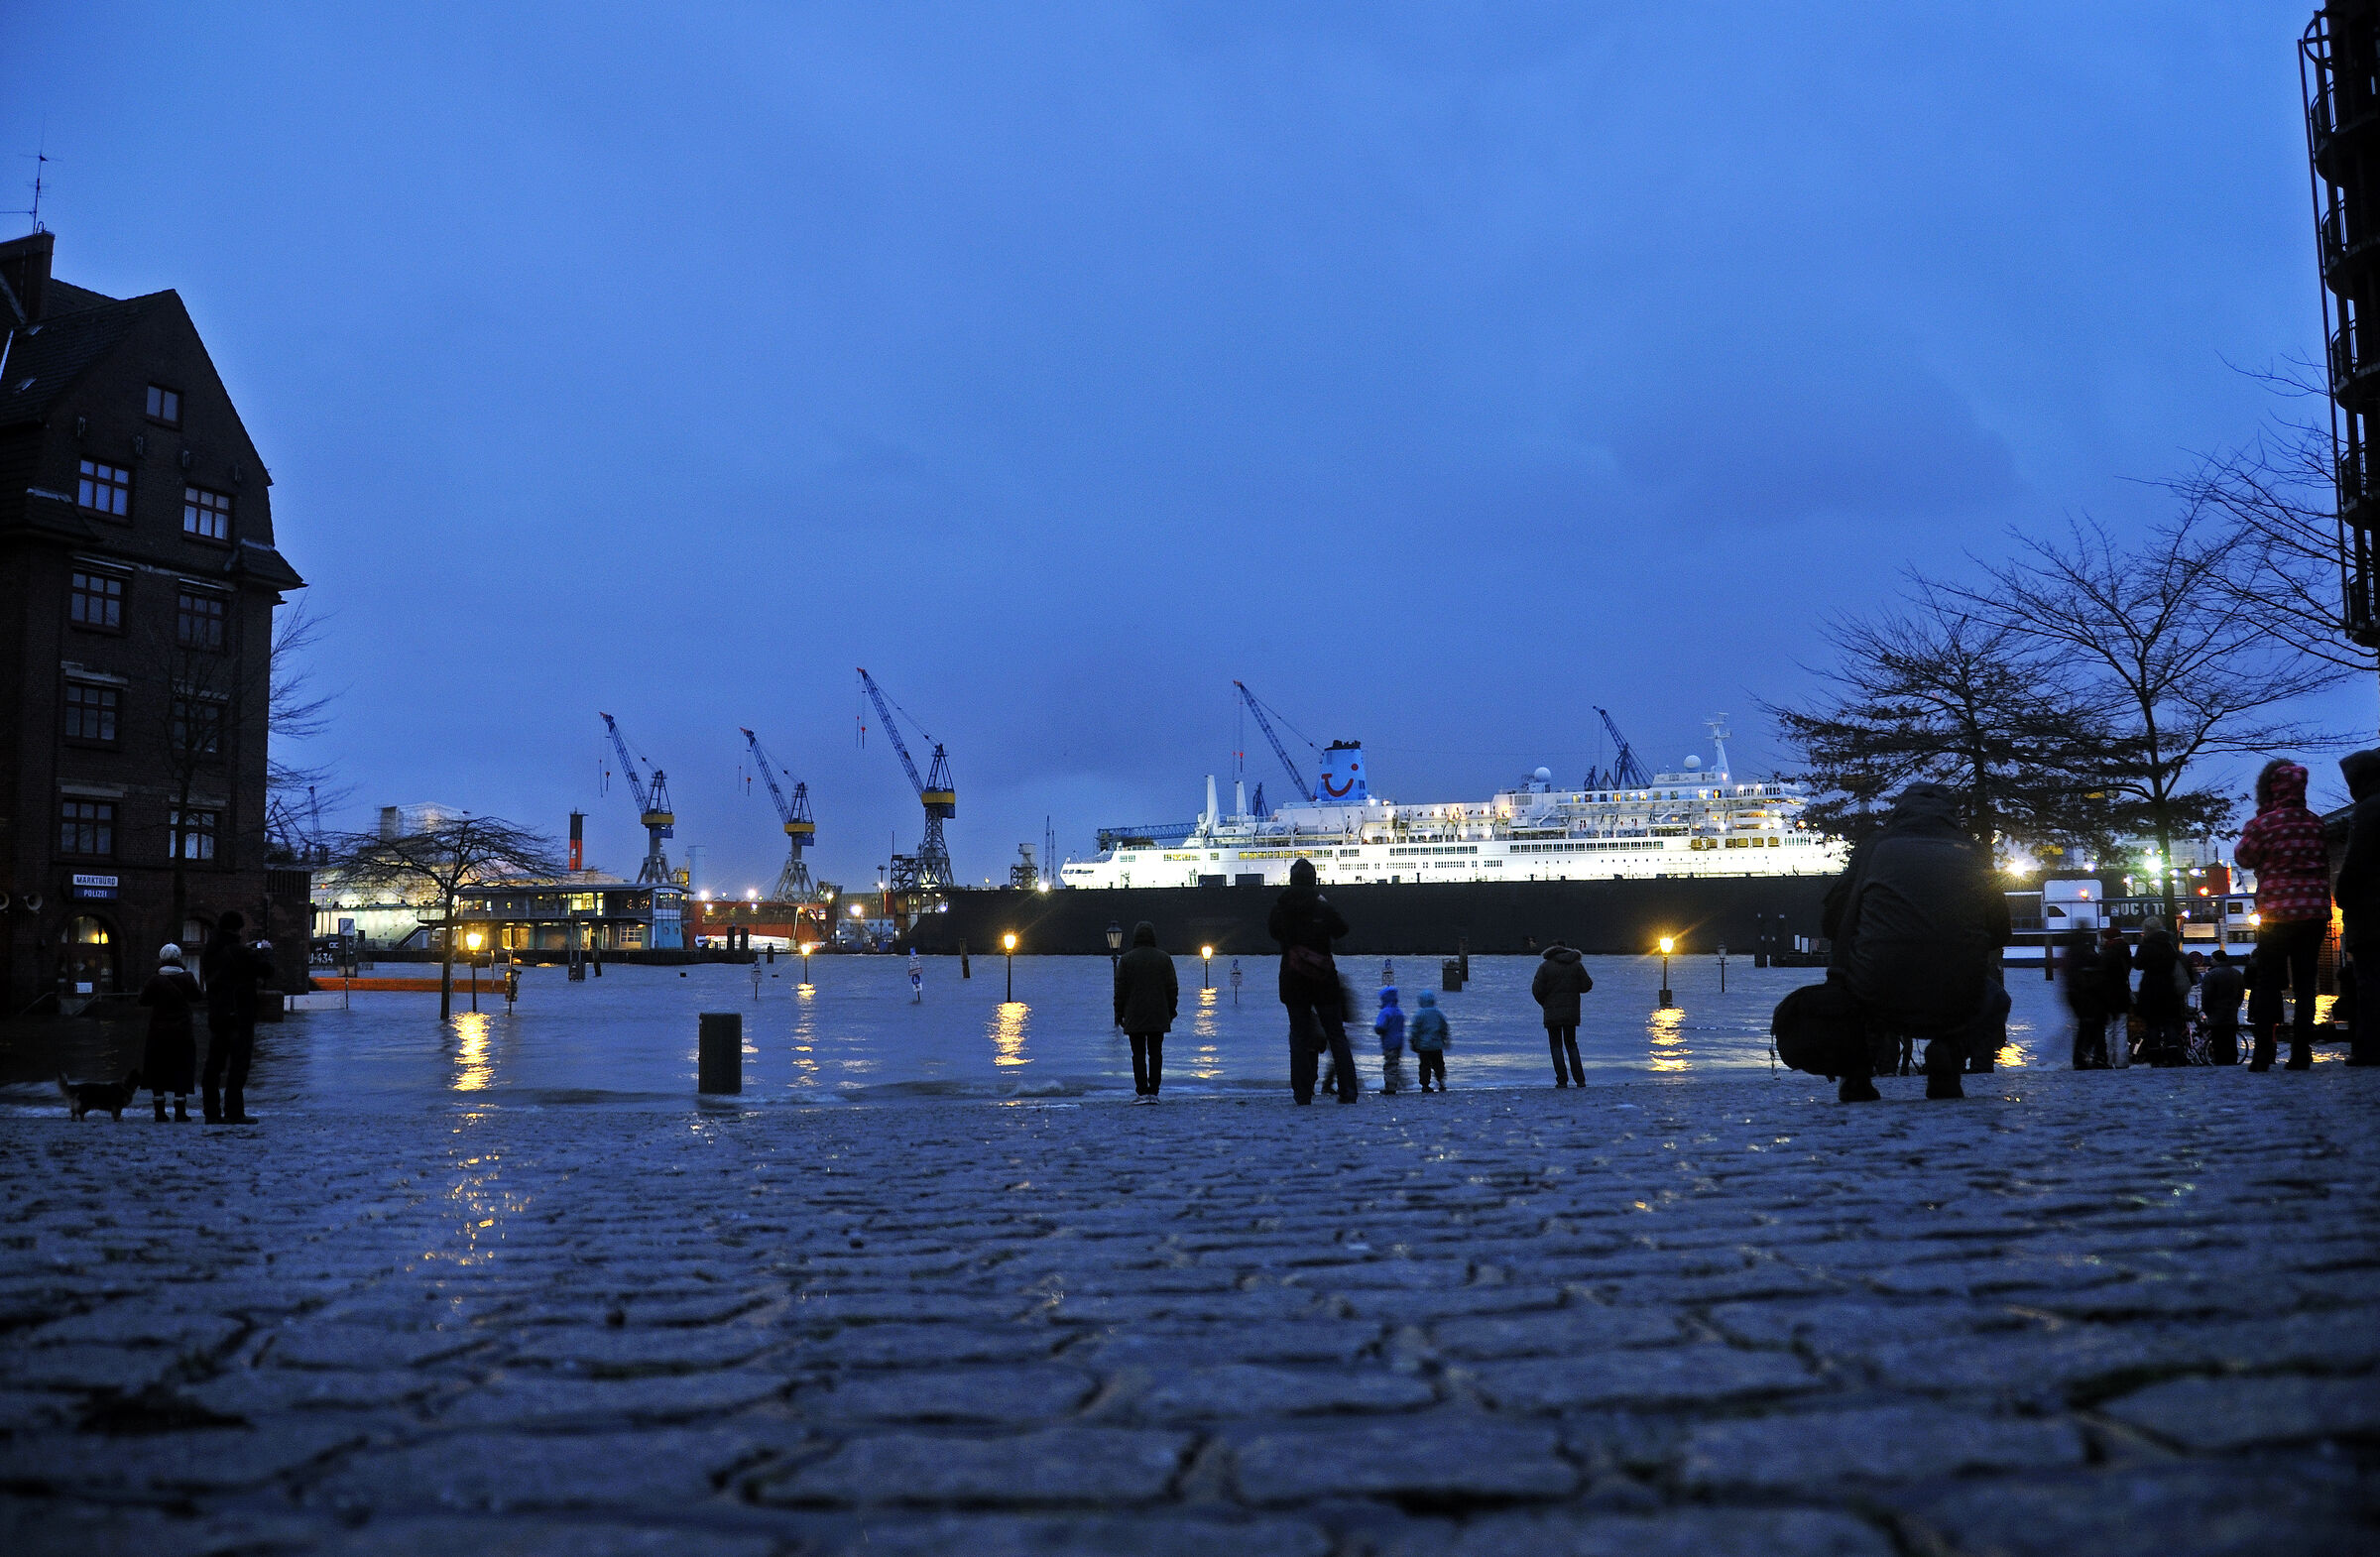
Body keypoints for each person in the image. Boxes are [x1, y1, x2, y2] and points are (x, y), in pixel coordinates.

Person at [1822, 782, 2010, 1101]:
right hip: (1957, 996)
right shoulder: (1975, 853)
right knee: (1998, 1000)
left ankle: (1857, 1075)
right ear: (1951, 814)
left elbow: (1832, 922)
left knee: (1855, 996)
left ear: (1900, 810)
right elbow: (2002, 931)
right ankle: (1949, 1053)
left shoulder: (1873, 849)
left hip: (1879, 990)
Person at [2234, 759, 2331, 1071]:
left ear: (2271, 789)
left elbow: (2244, 856)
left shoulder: (2265, 824)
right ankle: (2301, 1052)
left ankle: (2263, 1054)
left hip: (2277, 912)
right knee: (2306, 983)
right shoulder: (2316, 823)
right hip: (2314, 912)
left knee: (2267, 980)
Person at [1268, 858, 1356, 1104]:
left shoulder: (1281, 906)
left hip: (1293, 977)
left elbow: (1273, 931)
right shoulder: (1321, 906)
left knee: (1298, 1035)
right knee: (1336, 1035)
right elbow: (1342, 930)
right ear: (1313, 879)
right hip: (1323, 978)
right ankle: (1348, 1091)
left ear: (1292, 879)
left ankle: (1302, 1093)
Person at [2332, 748, 2380, 1066]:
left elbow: (2355, 862)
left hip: (2372, 916)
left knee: (2371, 983)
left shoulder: (2367, 811)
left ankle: (2370, 1048)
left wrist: (2342, 894)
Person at [199, 912, 271, 1125]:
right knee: (238, 1065)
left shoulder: (210, 952)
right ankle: (234, 1111)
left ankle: (211, 1112)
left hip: (217, 1014)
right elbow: (267, 971)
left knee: (213, 1065)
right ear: (237, 929)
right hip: (240, 1014)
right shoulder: (239, 952)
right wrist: (266, 952)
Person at [1112, 921, 1178, 1103]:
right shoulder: (1164, 958)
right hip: (1158, 1013)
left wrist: (1119, 1014)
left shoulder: (1126, 959)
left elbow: (1120, 990)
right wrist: (1171, 1011)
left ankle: (1142, 1091)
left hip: (1134, 1015)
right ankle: (1154, 1091)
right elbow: (1172, 987)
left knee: (1138, 1054)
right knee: (1156, 1053)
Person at [137, 944, 200, 1123]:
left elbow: (142, 1001)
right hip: (183, 1032)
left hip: (158, 1032)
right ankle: (180, 1112)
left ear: (161, 958)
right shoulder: (187, 977)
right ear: (179, 958)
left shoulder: (154, 980)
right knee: (182, 1068)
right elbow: (198, 997)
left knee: (157, 1070)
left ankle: (159, 1112)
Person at [1530, 939, 1593, 1087]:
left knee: (1556, 1046)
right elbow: (1587, 985)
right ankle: (1580, 1080)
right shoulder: (1576, 965)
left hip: (1552, 1012)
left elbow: (1536, 989)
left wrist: (1545, 1003)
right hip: (1571, 1012)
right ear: (1566, 949)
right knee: (1571, 1044)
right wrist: (1574, 989)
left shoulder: (1545, 966)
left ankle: (1562, 1080)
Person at [2132, 924, 2190, 1066]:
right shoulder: (2169, 945)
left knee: (2153, 1025)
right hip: (2169, 988)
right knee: (2170, 1023)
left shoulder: (2146, 946)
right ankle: (2173, 1055)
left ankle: (2155, 1056)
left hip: (2150, 989)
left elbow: (2138, 964)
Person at [2061, 929, 2105, 1069]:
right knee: (2090, 1026)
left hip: (2073, 994)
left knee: (2083, 1026)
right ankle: (2086, 1057)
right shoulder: (2086, 954)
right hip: (2086, 995)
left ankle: (2080, 1058)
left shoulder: (2069, 953)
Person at [2199, 946, 2246, 1066]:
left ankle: (2220, 1061)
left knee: (2218, 1039)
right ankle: (2232, 1060)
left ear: (2216, 960)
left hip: (2216, 1012)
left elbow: (2207, 995)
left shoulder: (2211, 975)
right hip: (2232, 1011)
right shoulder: (2237, 973)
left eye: (2212, 959)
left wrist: (2206, 1009)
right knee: (2231, 1038)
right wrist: (2236, 1005)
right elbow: (2241, 993)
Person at [2095, 926, 2133, 1070]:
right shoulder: (2126, 951)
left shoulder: (2106, 954)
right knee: (2122, 1029)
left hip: (2108, 996)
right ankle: (2122, 1062)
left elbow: (2102, 977)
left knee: (2109, 1029)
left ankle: (2108, 1060)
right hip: (2123, 993)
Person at [1409, 988, 1450, 1091]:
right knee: (1439, 1065)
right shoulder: (1438, 1013)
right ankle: (1441, 1081)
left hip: (1424, 1046)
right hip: (1436, 1045)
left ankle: (1425, 1085)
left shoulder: (1419, 1014)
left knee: (1424, 1066)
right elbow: (1444, 1027)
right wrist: (1445, 1038)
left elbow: (1415, 1029)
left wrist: (1412, 1040)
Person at [1374, 984, 1406, 1095]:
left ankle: (1390, 1087)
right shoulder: (1399, 1012)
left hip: (1389, 1043)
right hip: (1399, 1042)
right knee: (1395, 1063)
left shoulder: (1385, 1012)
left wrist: (1377, 1029)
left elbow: (1380, 1027)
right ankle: (1400, 1083)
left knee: (1389, 1065)